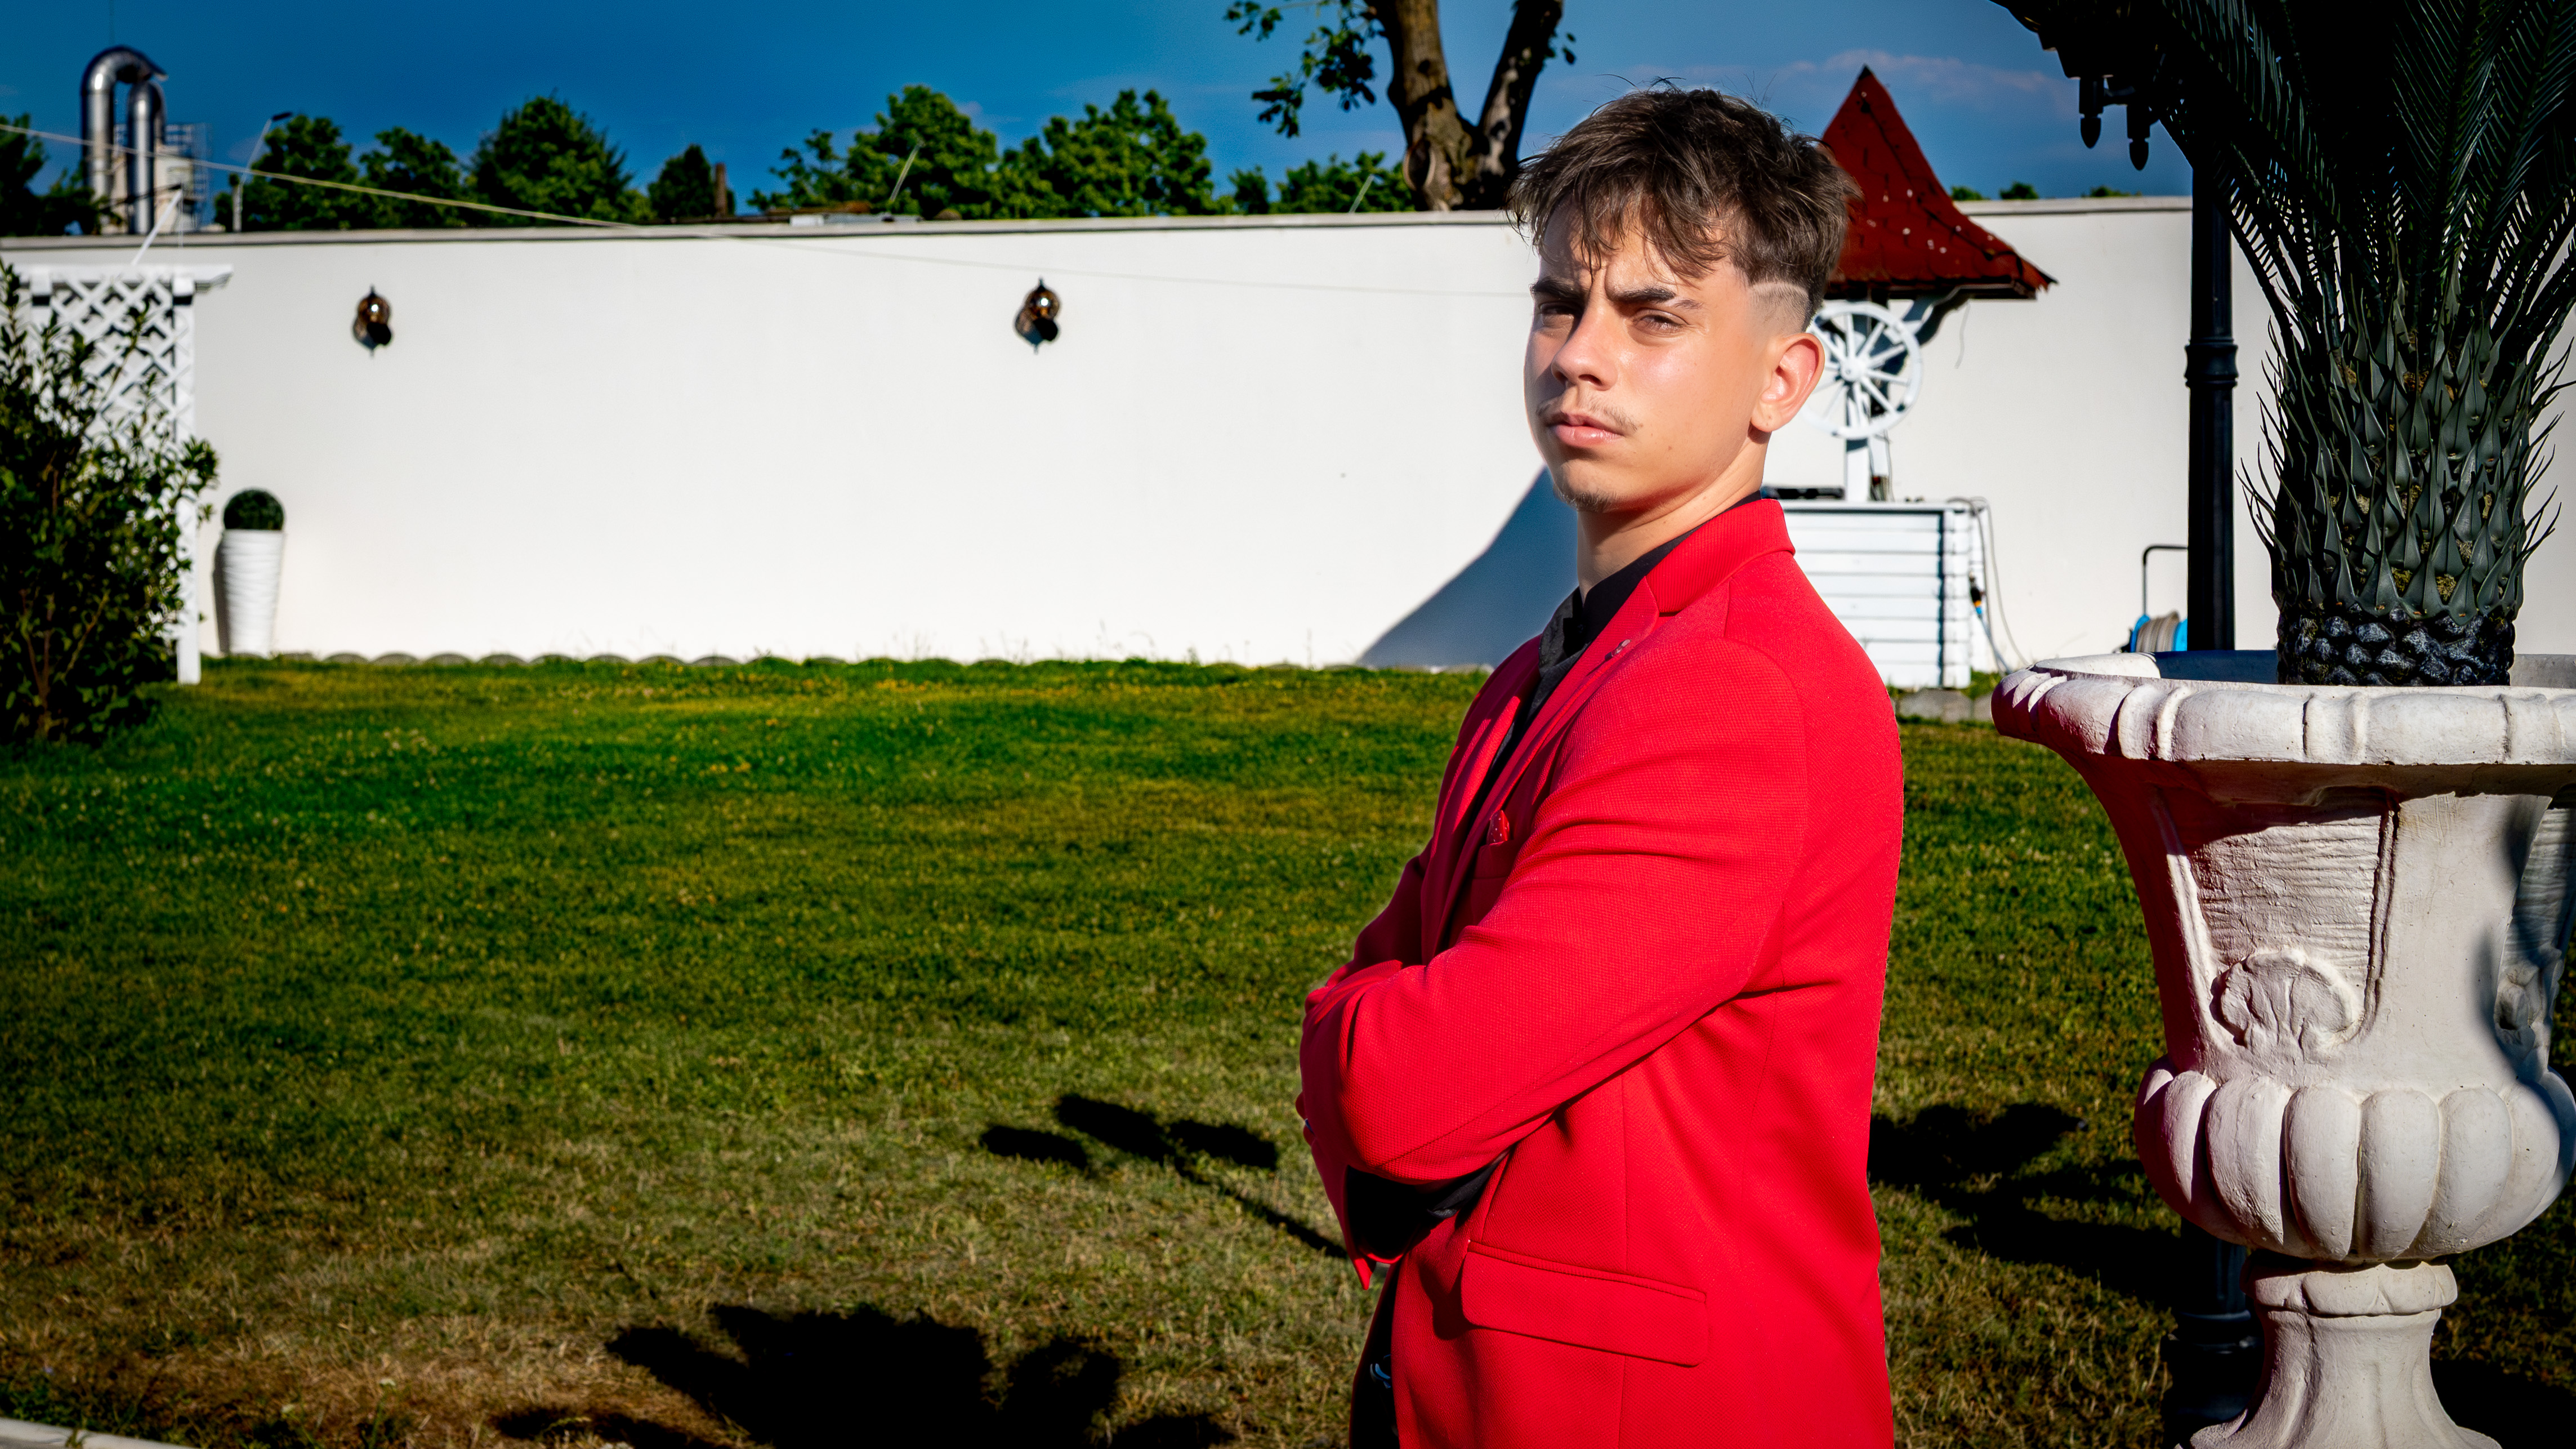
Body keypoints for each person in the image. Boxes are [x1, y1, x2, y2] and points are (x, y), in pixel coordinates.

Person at [1296, 86, 1901, 1448]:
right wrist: (1370, 1026)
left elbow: (1395, 1092)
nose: (1579, 355)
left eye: (1652, 316)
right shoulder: (1546, 665)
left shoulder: (1731, 687)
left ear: (1781, 380)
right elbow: (1384, 999)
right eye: (1559, 303)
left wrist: (1357, 1035)